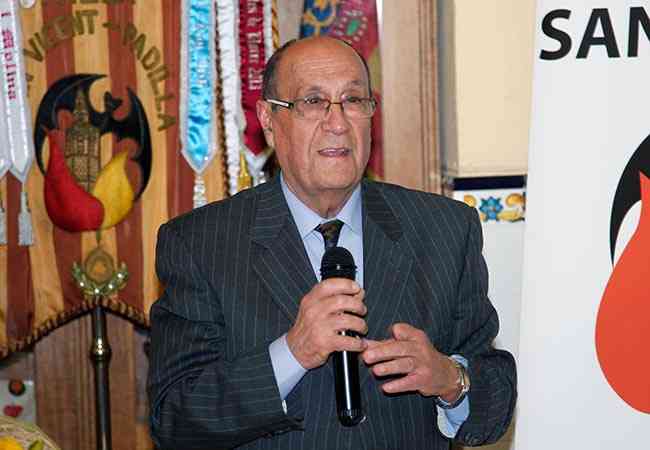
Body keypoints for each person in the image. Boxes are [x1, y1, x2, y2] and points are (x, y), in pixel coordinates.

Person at [148, 36, 516, 450]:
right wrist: (291, 353)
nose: (338, 123)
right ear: (268, 120)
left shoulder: (444, 228)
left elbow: (495, 399)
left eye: (353, 100)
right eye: (313, 102)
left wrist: (451, 380)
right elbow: (175, 420)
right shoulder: (200, 244)